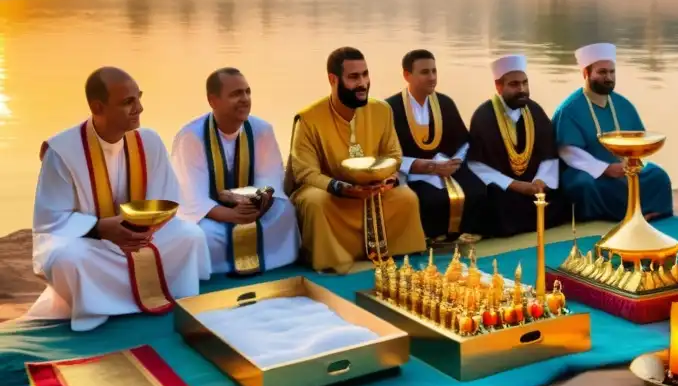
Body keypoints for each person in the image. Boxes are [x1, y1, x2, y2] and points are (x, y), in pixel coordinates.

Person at [26, 67, 210, 331]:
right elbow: (51, 219)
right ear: (97, 107)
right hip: (92, 242)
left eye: (139, 98)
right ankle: (99, 308)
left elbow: (167, 198)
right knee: (69, 259)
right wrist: (101, 228)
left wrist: (143, 228)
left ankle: (173, 294)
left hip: (143, 235)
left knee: (190, 236)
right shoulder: (62, 151)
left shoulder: (150, 140)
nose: (139, 108)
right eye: (128, 102)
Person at [286, 47, 426, 272]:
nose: (363, 83)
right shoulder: (309, 118)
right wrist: (339, 187)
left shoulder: (382, 110)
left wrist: (389, 179)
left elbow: (393, 155)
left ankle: (397, 255)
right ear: (333, 79)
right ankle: (332, 261)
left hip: (373, 186)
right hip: (327, 190)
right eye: (353, 77)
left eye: (365, 74)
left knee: (406, 198)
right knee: (316, 204)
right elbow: (304, 172)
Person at [170, 68, 299, 276]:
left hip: (255, 210)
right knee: (199, 234)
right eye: (236, 94)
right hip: (213, 216)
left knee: (285, 213)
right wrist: (231, 215)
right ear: (213, 101)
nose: (245, 99)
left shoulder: (262, 129)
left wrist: (256, 207)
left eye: (247, 92)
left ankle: (273, 262)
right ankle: (218, 269)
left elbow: (270, 181)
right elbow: (193, 199)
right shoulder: (191, 137)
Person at [552, 42, 673, 222]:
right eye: (602, 72)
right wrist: (605, 169)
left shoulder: (623, 104)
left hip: (623, 168)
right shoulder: (569, 109)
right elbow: (568, 152)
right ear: (586, 73)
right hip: (587, 172)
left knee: (658, 176)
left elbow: (638, 139)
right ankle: (605, 219)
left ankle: (645, 213)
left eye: (611, 72)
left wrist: (632, 163)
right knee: (584, 186)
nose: (608, 77)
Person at [385, 49, 486, 241]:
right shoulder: (390, 108)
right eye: (425, 72)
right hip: (412, 171)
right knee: (429, 199)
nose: (432, 78)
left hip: (446, 167)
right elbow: (384, 151)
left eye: (434, 71)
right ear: (407, 75)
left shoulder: (445, 103)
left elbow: (463, 142)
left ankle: (464, 233)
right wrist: (420, 165)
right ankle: (431, 236)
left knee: (477, 189)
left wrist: (453, 162)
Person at [467, 54, 569, 237]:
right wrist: (515, 185)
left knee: (565, 193)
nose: (522, 89)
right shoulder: (483, 117)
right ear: (499, 86)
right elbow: (477, 165)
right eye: (514, 84)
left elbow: (549, 154)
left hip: (535, 186)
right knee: (494, 201)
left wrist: (540, 181)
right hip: (505, 188)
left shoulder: (535, 111)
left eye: (525, 83)